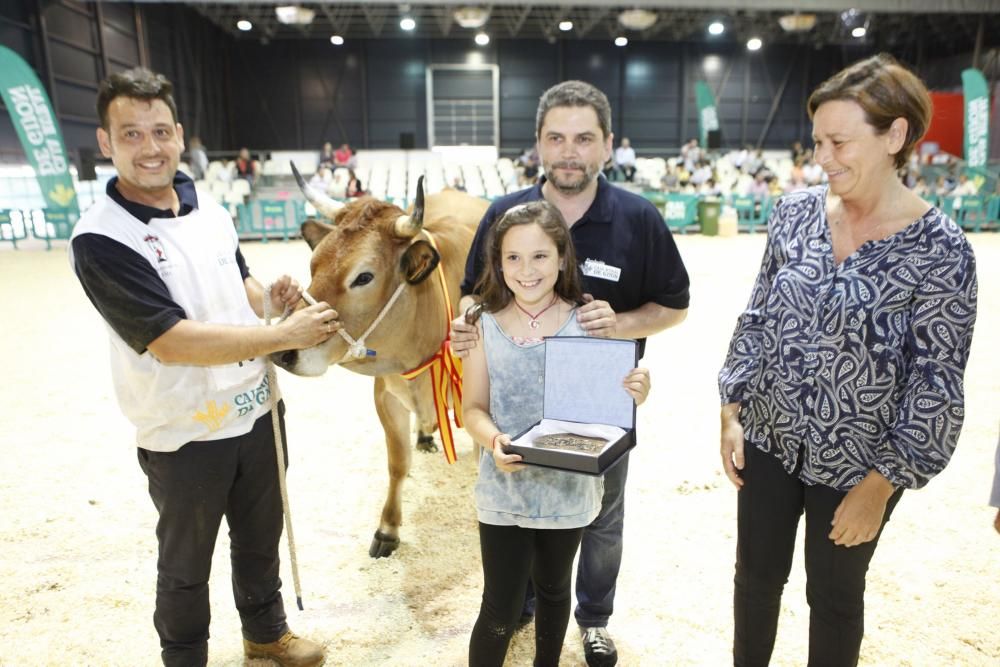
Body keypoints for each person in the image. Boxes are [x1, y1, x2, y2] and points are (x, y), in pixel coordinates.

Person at [68, 66, 337, 667]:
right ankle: (185, 655)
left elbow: (237, 283)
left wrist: (273, 300)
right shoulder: (102, 239)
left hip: (255, 409)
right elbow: (170, 340)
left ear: (180, 134)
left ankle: (266, 634)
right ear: (106, 142)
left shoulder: (207, 206)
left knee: (261, 534)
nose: (150, 147)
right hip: (185, 428)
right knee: (187, 562)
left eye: (160, 131)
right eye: (131, 134)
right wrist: (280, 337)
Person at [718, 53, 978, 667]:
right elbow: (758, 318)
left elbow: (935, 383)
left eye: (839, 141)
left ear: (895, 136)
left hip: (859, 460)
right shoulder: (794, 215)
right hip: (772, 438)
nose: (823, 158)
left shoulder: (941, 250)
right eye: (816, 142)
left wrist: (883, 484)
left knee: (834, 597)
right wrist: (732, 408)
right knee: (754, 582)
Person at [452, 80, 690, 667]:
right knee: (510, 581)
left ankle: (594, 618)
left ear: (607, 145)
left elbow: (675, 305)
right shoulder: (501, 214)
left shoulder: (638, 217)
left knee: (602, 518)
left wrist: (620, 325)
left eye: (583, 138)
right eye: (556, 137)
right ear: (538, 143)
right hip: (510, 416)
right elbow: (469, 297)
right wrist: (466, 330)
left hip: (595, 413)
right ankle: (523, 602)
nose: (569, 151)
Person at [463, 200, 651, 667]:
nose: (526, 270)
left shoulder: (588, 322)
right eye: (513, 257)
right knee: (499, 607)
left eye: (540, 256)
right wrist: (492, 441)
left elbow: (610, 404)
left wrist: (636, 388)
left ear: (563, 257)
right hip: (504, 491)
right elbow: (471, 408)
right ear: (497, 262)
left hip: (568, 492)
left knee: (553, 591)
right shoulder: (482, 325)